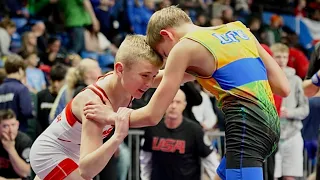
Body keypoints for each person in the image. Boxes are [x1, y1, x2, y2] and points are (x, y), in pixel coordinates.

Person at [84, 6, 290, 180]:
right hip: (269, 128)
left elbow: (152, 115)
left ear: (167, 35)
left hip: (247, 131)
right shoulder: (239, 29)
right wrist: (119, 77)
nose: (169, 59)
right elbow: (283, 87)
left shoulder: (184, 48)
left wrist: (110, 116)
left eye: (165, 54)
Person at [29, 35, 163, 180]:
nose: (150, 83)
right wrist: (117, 137)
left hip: (74, 153)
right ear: (119, 70)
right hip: (53, 152)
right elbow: (87, 171)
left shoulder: (128, 81)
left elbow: (177, 74)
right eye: (145, 76)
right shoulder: (94, 104)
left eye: (154, 76)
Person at [140, 89, 219, 180]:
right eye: (170, 102)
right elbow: (145, 160)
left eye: (178, 102)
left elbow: (210, 160)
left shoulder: (194, 130)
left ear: (184, 105)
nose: (174, 106)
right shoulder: (152, 127)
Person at [271, 43, 309, 180]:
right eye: (278, 56)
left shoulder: (296, 80)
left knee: (290, 177)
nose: (281, 60)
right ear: (271, 58)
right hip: (272, 136)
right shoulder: (266, 79)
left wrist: (290, 112)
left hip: (293, 135)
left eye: (285, 57)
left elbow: (305, 109)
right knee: (272, 175)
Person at [0, 109, 32, 179]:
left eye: (13, 125)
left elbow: (26, 173)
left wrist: (11, 149)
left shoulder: (24, 141)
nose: (10, 130)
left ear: (17, 125)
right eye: (5, 126)